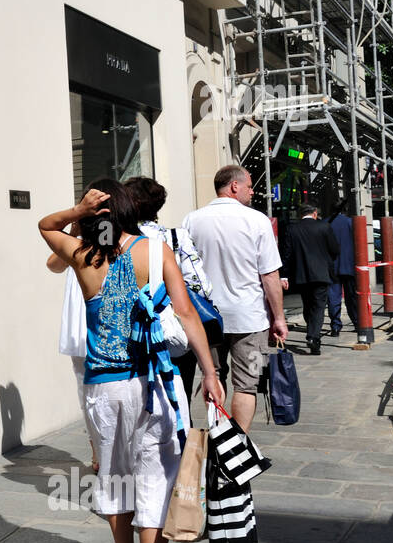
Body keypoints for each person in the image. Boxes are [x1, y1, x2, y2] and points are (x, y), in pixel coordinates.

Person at [40, 180, 224, 543]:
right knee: (154, 482)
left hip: (103, 387)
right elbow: (186, 314)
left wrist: (78, 210)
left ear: (94, 217)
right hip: (154, 384)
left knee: (116, 477)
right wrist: (212, 373)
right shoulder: (156, 251)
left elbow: (46, 225)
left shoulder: (84, 256)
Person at [183, 165, 287, 434]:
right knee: (247, 384)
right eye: (250, 186)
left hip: (207, 318)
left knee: (213, 376)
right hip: (249, 319)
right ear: (234, 186)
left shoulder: (192, 220)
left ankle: (218, 438)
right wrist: (279, 318)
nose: (253, 192)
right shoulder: (257, 220)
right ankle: (238, 445)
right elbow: (270, 276)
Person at [124, 176, 215, 404]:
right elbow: (201, 285)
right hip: (173, 329)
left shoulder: (119, 239)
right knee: (178, 395)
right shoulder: (175, 237)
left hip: (131, 330)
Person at [46, 229, 101, 471]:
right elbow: (54, 265)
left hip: (105, 322)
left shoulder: (114, 238)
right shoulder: (74, 243)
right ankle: (96, 449)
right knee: (86, 393)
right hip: (80, 327)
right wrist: (75, 231)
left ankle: (110, 450)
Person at [279, 203, 340, 355]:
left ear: (301, 214)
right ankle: (313, 337)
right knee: (319, 306)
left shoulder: (292, 229)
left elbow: (286, 254)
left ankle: (312, 331)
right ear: (314, 213)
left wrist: (284, 274)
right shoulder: (324, 227)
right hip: (321, 274)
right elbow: (335, 250)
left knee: (307, 304)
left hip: (301, 274)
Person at [327, 200, 363, 337]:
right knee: (352, 297)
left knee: (333, 297)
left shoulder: (326, 223)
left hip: (331, 266)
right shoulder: (351, 223)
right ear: (345, 209)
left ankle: (335, 326)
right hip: (349, 265)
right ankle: (357, 323)